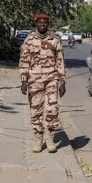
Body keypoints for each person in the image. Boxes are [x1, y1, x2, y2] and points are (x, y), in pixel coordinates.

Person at [18, 13, 66, 153]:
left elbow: (60, 61)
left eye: (45, 22)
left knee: (52, 109)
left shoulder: (55, 41)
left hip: (52, 79)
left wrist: (62, 81)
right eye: (40, 22)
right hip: (34, 81)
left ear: (48, 24)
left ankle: (50, 138)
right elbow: (24, 61)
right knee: (35, 111)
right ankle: (38, 138)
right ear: (36, 23)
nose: (42, 24)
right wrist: (23, 80)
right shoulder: (29, 41)